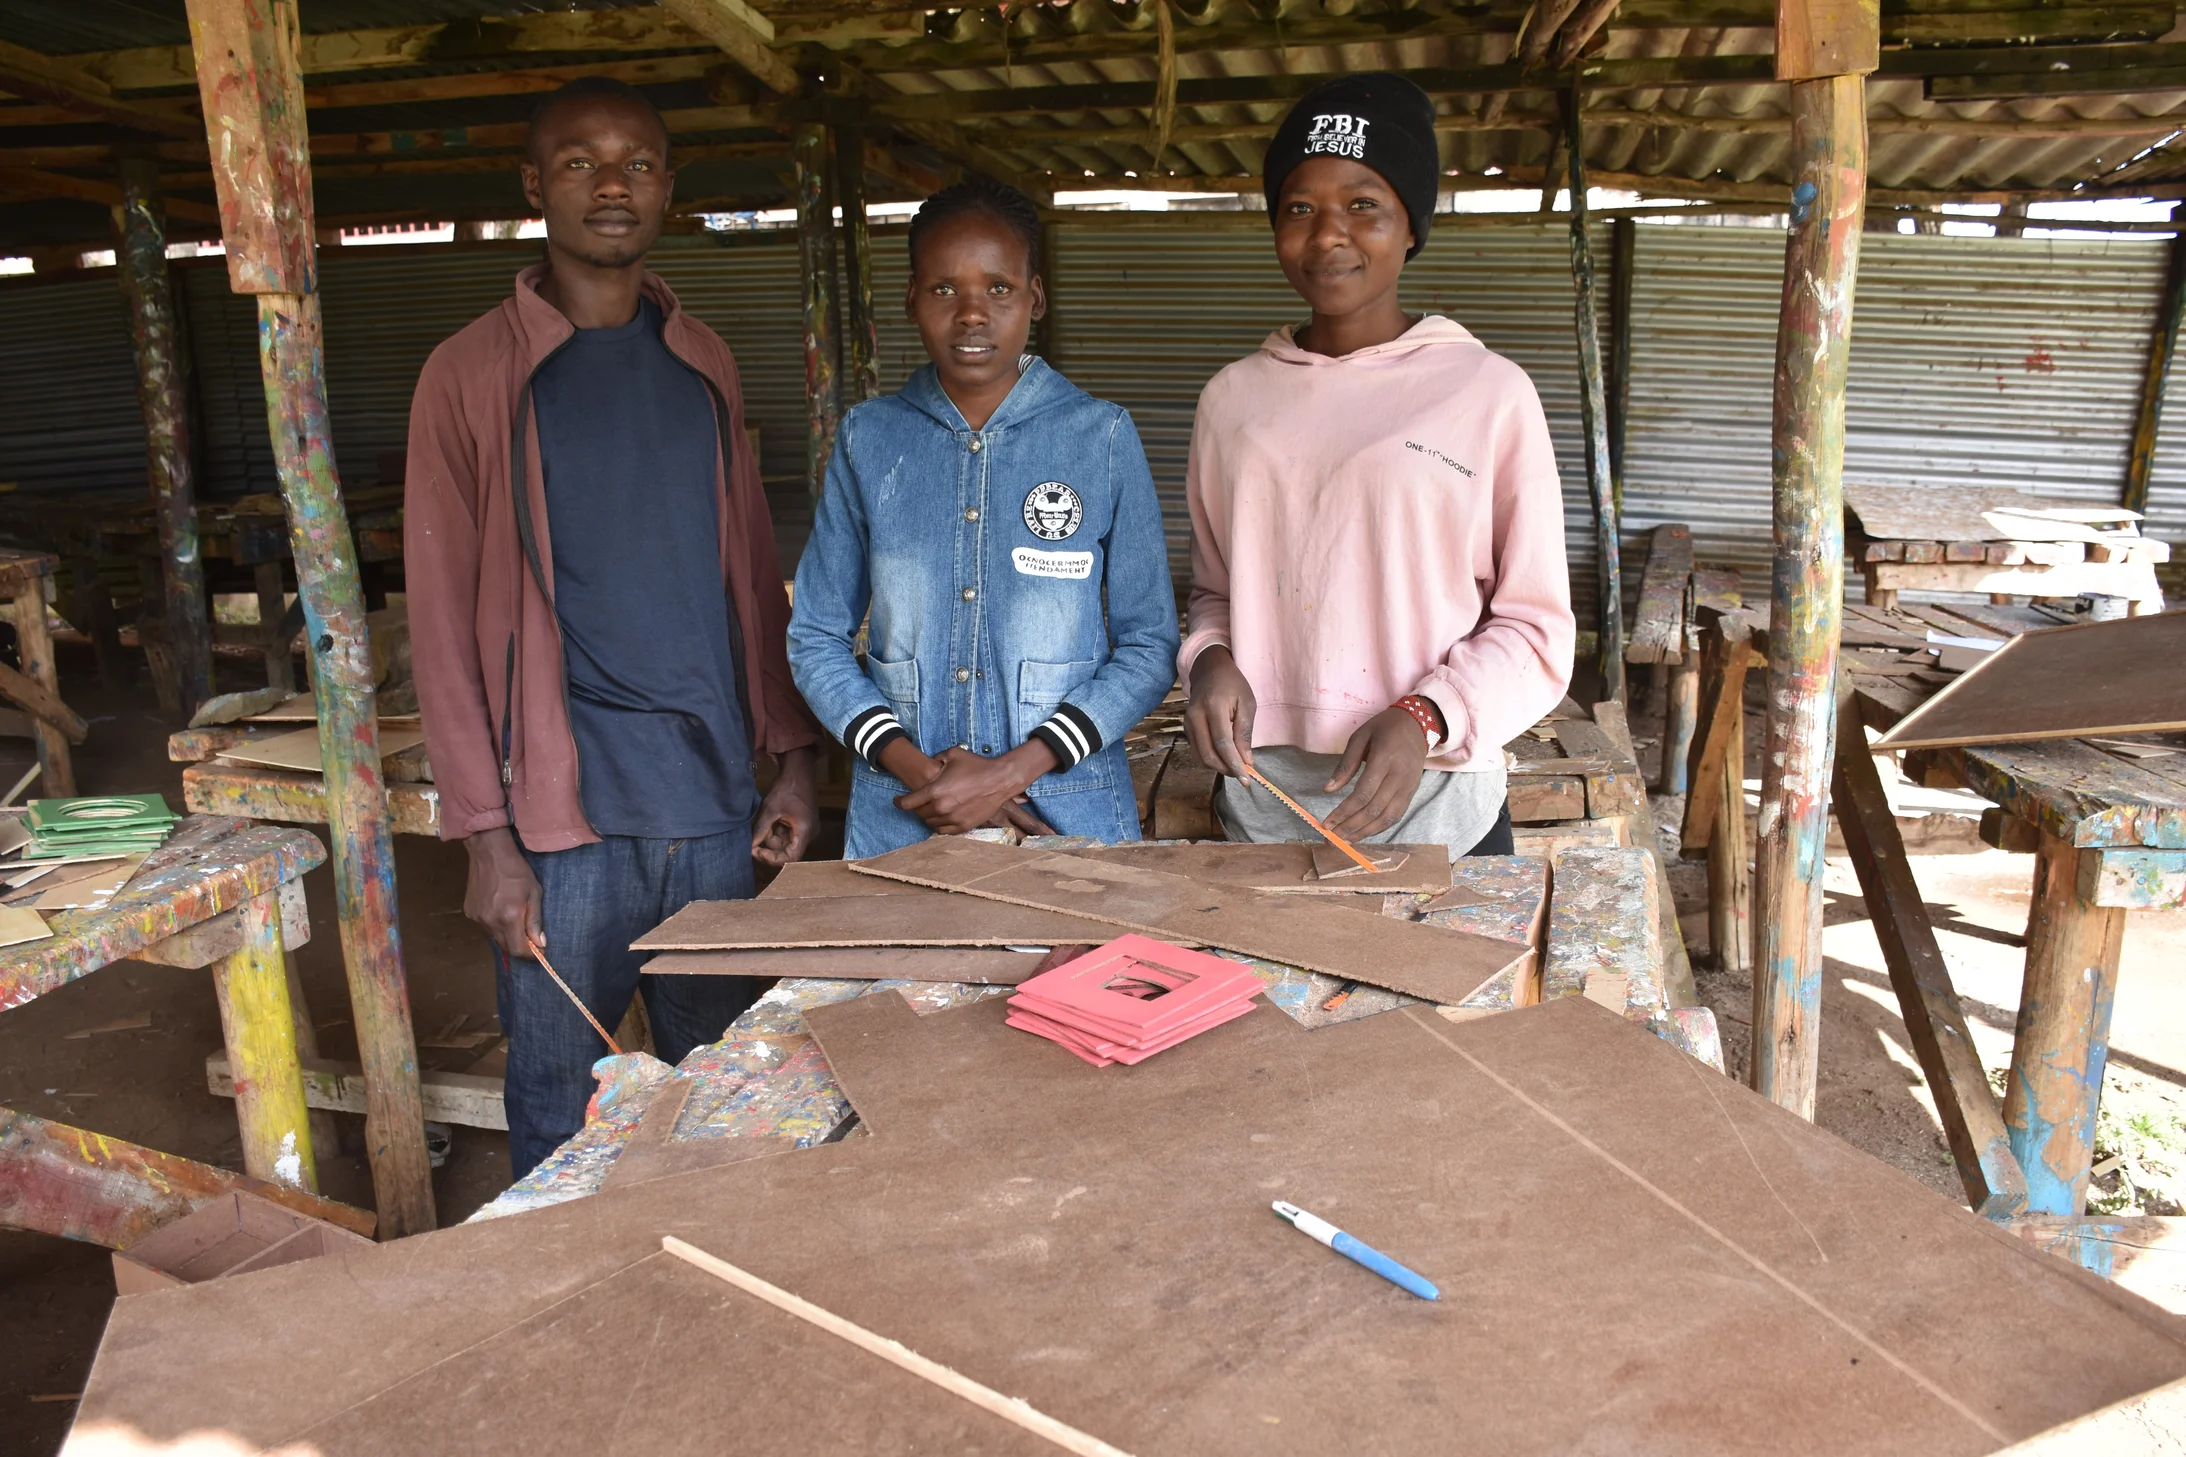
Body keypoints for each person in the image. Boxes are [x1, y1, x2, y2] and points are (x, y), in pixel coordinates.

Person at [405, 77, 821, 1176]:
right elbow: (440, 628)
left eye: (637, 162)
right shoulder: (468, 376)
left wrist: (788, 758)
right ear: (535, 186)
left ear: (668, 191)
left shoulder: (704, 362)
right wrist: (485, 838)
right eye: (580, 162)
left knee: (727, 1099)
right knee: (560, 1111)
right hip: (561, 830)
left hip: (711, 806)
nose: (611, 184)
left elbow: (748, 572)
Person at [1181, 73, 1576, 861]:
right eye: (1300, 207)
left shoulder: (1487, 392)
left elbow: (1535, 626)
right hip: (1263, 800)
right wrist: (1210, 662)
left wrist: (1425, 714)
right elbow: (1217, 593)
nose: (1329, 234)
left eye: (1363, 204)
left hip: (1439, 803)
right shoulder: (1232, 402)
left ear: (1410, 225)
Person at [788, 179, 1177, 858]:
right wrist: (919, 770)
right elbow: (815, 634)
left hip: (1067, 815)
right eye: (944, 289)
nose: (972, 314)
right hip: (905, 818)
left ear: (1036, 298)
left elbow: (1149, 646)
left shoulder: (1102, 437)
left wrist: (1010, 771)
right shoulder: (869, 439)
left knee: (1074, 966)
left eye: (998, 288)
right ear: (911, 296)